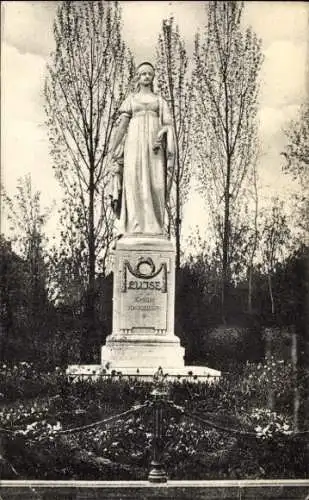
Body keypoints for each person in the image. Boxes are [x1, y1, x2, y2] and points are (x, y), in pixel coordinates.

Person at [109, 62, 175, 236]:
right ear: (138, 78)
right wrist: (112, 149)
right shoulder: (131, 100)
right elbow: (122, 125)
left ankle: (154, 226)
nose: (146, 76)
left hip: (154, 146)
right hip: (134, 144)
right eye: (143, 74)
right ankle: (134, 225)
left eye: (149, 74)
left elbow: (168, 124)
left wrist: (162, 133)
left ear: (153, 77)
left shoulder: (159, 101)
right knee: (134, 181)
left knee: (155, 183)